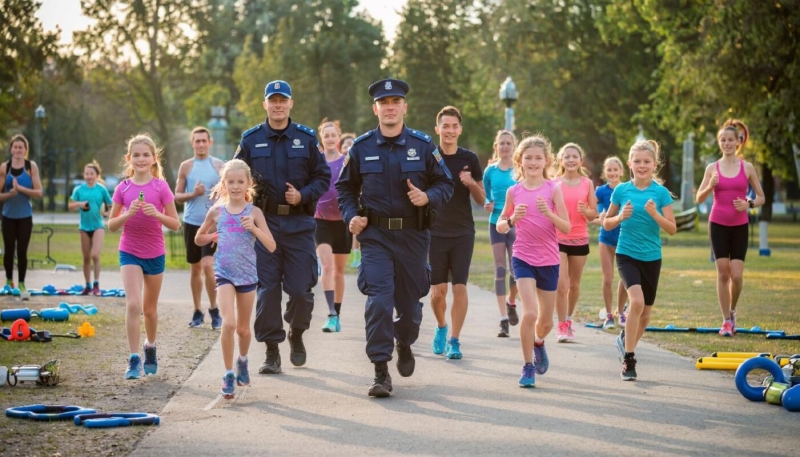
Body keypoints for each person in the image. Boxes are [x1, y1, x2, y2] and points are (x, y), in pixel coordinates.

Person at [336, 78, 454, 398]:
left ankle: (404, 341)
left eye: (395, 102)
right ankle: (380, 370)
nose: (389, 107)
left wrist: (427, 197)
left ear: (404, 107)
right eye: (383, 103)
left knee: (410, 308)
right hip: (375, 236)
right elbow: (345, 188)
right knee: (379, 300)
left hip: (413, 236)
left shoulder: (423, 145)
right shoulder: (361, 147)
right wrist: (351, 216)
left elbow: (446, 184)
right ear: (375, 109)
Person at [234, 80, 331, 375]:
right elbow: (235, 177)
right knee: (267, 290)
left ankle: (296, 332)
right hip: (264, 225)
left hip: (299, 224)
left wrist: (303, 195)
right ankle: (271, 350)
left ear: (290, 104)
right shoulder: (250, 140)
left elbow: (323, 177)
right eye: (272, 100)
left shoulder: (306, 138)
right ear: (265, 104)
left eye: (282, 100)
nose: (278, 105)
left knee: (301, 290)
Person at [195, 159, 276, 399]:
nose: (236, 186)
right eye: (231, 182)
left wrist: (254, 228)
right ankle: (228, 374)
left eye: (240, 182)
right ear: (224, 184)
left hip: (247, 275)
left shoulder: (254, 212)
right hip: (224, 274)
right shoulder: (216, 211)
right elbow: (198, 238)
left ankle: (243, 360)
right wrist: (211, 236)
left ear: (249, 183)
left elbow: (271, 246)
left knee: (242, 329)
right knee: (228, 324)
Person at [497, 135, 570, 387]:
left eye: (538, 158)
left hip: (549, 260)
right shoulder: (514, 191)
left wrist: (548, 213)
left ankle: (539, 342)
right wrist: (512, 220)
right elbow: (500, 225)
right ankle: (527, 366)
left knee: (546, 322)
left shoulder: (553, 189)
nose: (533, 162)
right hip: (523, 258)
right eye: (528, 157)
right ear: (520, 160)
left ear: (546, 161)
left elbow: (566, 227)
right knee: (529, 313)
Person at [108, 133, 181, 380]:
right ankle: (133, 358)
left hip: (155, 253)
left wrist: (156, 214)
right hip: (129, 251)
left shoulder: (161, 187)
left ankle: (150, 346)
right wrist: (127, 214)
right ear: (129, 158)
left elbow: (175, 223)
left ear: (153, 158)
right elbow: (111, 225)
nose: (141, 159)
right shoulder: (123, 188)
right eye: (136, 155)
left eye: (145, 155)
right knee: (133, 304)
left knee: (149, 310)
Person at [604, 139, 676, 381]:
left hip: (652, 257)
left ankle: (625, 340)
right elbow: (606, 223)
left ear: (654, 164)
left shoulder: (661, 193)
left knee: (645, 315)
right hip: (626, 254)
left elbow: (672, 229)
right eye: (637, 161)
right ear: (630, 164)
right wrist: (619, 217)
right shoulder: (621, 191)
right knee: (636, 302)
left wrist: (655, 214)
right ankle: (629, 359)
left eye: (646, 161)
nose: (642, 165)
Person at [695, 119, 764, 337]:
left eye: (730, 140)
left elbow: (761, 197)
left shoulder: (747, 168)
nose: (726, 143)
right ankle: (725, 321)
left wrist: (748, 204)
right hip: (717, 224)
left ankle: (732, 310)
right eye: (723, 140)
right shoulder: (712, 168)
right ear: (719, 143)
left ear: (738, 142)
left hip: (740, 225)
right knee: (723, 272)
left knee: (737, 276)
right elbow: (699, 198)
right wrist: (710, 185)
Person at [428, 106, 484, 360]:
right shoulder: (429, 157)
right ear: (437, 129)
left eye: (454, 126)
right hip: (435, 232)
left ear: (460, 129)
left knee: (459, 287)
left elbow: (481, 199)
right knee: (438, 292)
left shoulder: (469, 158)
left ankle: (454, 340)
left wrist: (471, 183)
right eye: (445, 126)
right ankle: (441, 327)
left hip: (462, 232)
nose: (450, 131)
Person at [175, 127, 224, 329]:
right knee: (195, 268)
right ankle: (197, 311)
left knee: (208, 265)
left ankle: (215, 309)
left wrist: (218, 198)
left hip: (211, 224)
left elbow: (228, 193)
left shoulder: (219, 166)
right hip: (191, 223)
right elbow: (177, 196)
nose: (201, 144)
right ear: (192, 143)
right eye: (197, 141)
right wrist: (194, 194)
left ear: (210, 143)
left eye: (204, 140)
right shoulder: (186, 166)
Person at [553, 143, 597, 342]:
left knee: (574, 285)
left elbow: (593, 214)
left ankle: (568, 318)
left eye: (574, 156)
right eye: (567, 156)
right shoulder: (554, 184)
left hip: (579, 238)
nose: (571, 160)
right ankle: (562, 325)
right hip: (557, 238)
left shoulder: (587, 184)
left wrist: (586, 211)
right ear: (561, 161)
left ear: (581, 161)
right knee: (561, 285)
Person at [314, 119, 352, 333]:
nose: (329, 138)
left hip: (343, 221)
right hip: (320, 221)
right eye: (326, 135)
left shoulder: (347, 162)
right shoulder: (317, 162)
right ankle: (331, 314)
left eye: (333, 135)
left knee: (338, 272)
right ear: (322, 139)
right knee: (327, 266)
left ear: (338, 138)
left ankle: (337, 313)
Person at [483, 130, 520, 337]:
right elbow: (487, 197)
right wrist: (487, 204)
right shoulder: (490, 171)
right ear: (496, 146)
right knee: (500, 269)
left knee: (516, 270)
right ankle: (503, 319)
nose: (505, 146)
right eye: (502, 143)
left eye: (508, 143)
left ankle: (511, 302)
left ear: (514, 146)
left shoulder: (519, 171)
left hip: (516, 224)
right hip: (496, 223)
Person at [0, 134, 42, 300]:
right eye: (15, 147)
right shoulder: (5, 167)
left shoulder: (31, 166)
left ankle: (22, 283)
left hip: (25, 216)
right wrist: (10, 194)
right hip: (8, 216)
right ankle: (9, 281)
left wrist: (21, 189)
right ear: (11, 149)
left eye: (21, 147)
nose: (18, 150)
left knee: (22, 251)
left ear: (25, 150)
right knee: (9, 250)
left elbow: (39, 192)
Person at [594, 156, 629, 329]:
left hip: (625, 238)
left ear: (621, 172)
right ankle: (609, 315)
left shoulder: (627, 189)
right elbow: (590, 213)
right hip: (606, 238)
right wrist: (598, 218)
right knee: (608, 278)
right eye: (609, 170)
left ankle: (621, 312)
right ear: (604, 172)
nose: (612, 173)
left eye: (616, 169)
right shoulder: (600, 191)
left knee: (625, 278)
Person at [68, 161, 113, 295]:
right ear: (84, 175)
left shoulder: (101, 189)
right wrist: (80, 204)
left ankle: (96, 284)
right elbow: (70, 206)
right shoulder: (78, 190)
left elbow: (111, 205)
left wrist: (107, 213)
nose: (89, 176)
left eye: (91, 174)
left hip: (98, 226)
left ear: (97, 175)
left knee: (95, 255)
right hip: (84, 227)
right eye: (87, 173)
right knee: (86, 257)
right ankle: (87, 285)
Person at [339, 133, 362, 268]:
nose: (348, 148)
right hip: (336, 206)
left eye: (351, 145)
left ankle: (356, 255)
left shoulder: (357, 158)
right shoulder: (338, 161)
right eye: (345, 145)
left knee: (355, 227)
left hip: (355, 203)